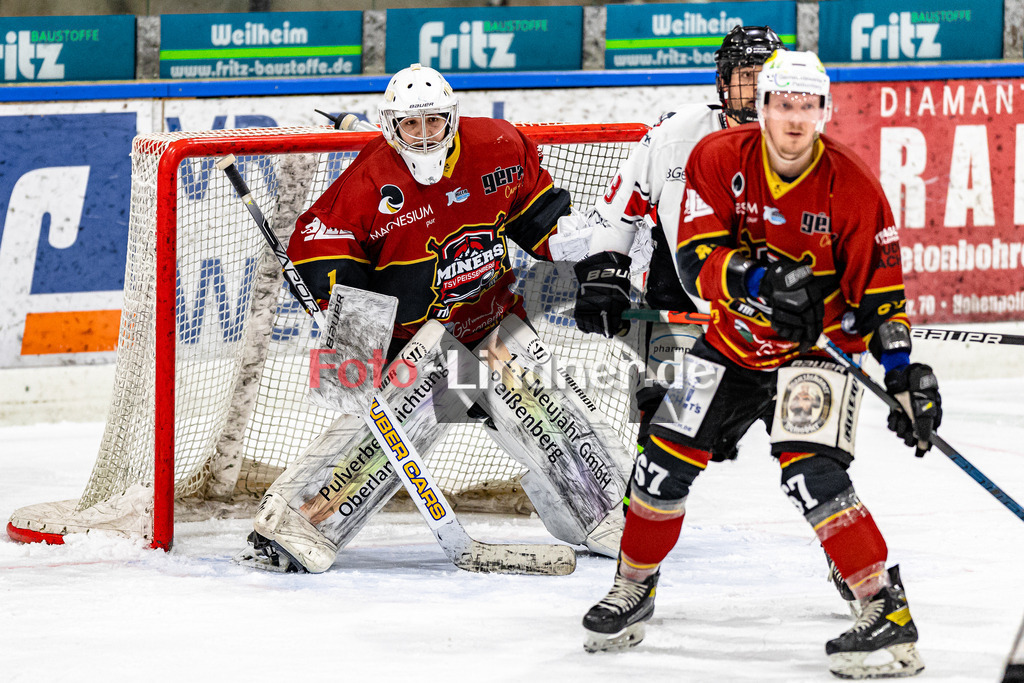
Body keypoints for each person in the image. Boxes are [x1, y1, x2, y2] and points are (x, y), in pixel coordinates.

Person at [580, 50, 942, 681]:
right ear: (760, 108)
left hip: (817, 355)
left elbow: (882, 301)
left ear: (825, 111)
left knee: (814, 477)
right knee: (658, 465)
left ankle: (886, 610)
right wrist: (755, 279)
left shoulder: (854, 187)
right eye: (783, 104)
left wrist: (903, 374)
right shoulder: (718, 159)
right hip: (725, 343)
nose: (795, 120)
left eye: (809, 107)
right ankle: (633, 588)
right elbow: (695, 259)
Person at [236, 63, 632, 574]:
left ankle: (613, 518)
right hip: (422, 348)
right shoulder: (369, 180)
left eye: (434, 123)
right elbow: (317, 247)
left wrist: (580, 245)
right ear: (390, 125)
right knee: (380, 446)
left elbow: (540, 220)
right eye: (410, 125)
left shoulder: (497, 145)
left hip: (493, 325)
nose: (423, 136)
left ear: (453, 118)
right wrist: (348, 326)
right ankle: (296, 527)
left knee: (558, 424)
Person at [572, 25, 784, 454]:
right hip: (682, 304)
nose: (758, 87)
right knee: (663, 440)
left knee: (808, 445)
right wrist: (604, 275)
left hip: (773, 314)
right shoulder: (674, 135)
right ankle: (642, 517)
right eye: (747, 75)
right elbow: (618, 213)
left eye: (769, 76)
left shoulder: (802, 145)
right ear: (724, 82)